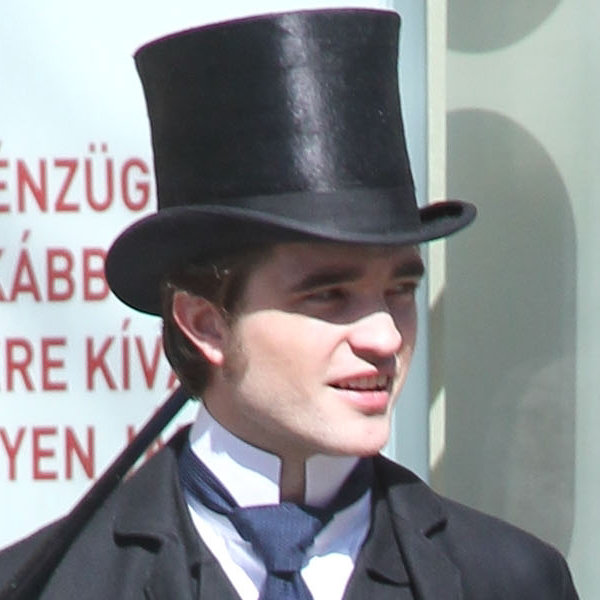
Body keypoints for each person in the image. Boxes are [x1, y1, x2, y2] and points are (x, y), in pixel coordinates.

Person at [0, 8, 578, 599]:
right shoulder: (56, 586)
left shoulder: (509, 582)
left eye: (400, 290)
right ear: (205, 324)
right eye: (328, 296)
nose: (384, 337)